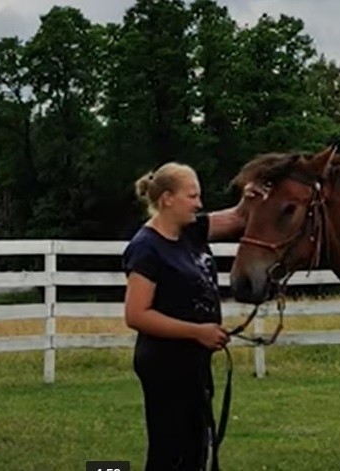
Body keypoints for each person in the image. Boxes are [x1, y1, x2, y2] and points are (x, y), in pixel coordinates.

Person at [122, 161, 266, 471]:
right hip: (164, 363)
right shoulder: (146, 248)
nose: (199, 204)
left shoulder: (191, 231)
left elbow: (238, 218)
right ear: (167, 199)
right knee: (169, 451)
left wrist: (249, 198)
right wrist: (196, 332)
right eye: (193, 196)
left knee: (195, 447)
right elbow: (136, 314)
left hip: (192, 362)